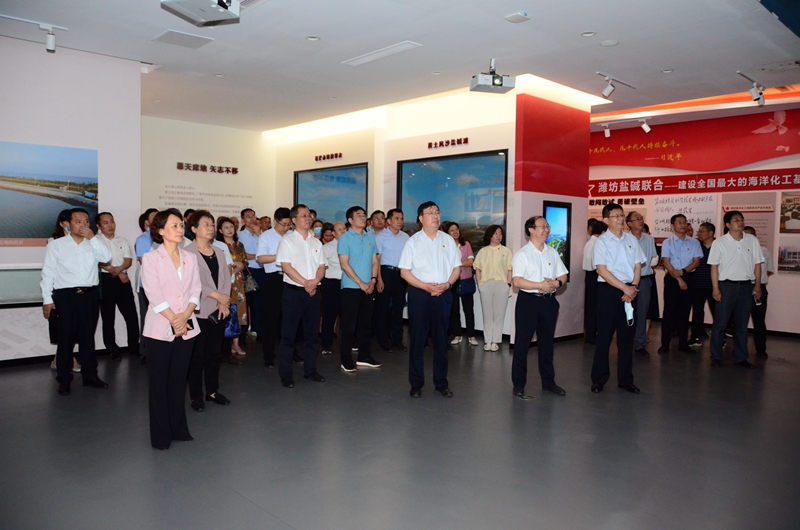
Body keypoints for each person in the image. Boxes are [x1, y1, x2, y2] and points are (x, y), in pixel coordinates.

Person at [140, 209, 201, 450]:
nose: (179, 229)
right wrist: (174, 320)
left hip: (187, 326)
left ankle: (179, 429)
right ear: (160, 230)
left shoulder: (190, 257)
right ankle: (161, 435)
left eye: (180, 225)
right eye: (174, 225)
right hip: (160, 327)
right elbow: (153, 293)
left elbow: (195, 289)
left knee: (178, 381)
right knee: (159, 383)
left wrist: (185, 316)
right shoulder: (151, 258)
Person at [41, 208, 113, 395]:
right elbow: (48, 273)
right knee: (65, 339)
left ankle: (90, 376)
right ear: (68, 224)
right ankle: (64, 379)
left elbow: (107, 258)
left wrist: (93, 238)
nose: (83, 225)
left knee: (88, 337)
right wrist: (47, 300)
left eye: (86, 221)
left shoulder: (93, 243)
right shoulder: (56, 245)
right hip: (66, 296)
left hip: (89, 295)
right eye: (78, 221)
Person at [399, 201, 461, 398]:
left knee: (441, 340)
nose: (435, 216)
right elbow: (404, 272)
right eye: (430, 212)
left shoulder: (448, 240)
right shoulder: (413, 242)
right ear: (421, 218)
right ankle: (416, 383)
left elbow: (457, 268)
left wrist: (448, 284)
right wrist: (424, 286)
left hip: (443, 293)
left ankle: (441, 383)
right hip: (420, 294)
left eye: (437, 212)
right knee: (418, 340)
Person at [511, 216, 569, 398]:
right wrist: (539, 285)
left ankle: (549, 382)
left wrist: (557, 283)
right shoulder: (522, 254)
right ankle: (518, 384)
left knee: (547, 344)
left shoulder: (552, 252)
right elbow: (517, 281)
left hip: (549, 302)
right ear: (531, 230)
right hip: (528, 302)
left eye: (547, 226)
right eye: (543, 226)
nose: (547, 230)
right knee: (522, 344)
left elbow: (563, 275)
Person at [591, 203, 646, 394]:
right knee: (604, 337)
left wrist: (634, 287)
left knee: (626, 338)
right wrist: (625, 288)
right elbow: (602, 270)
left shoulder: (631, 239)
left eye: (622, 215)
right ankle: (599, 379)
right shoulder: (601, 242)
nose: (621, 219)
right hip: (609, 291)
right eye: (616, 216)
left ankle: (625, 379)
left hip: (630, 291)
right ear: (606, 220)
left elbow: (638, 265)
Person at [185, 211, 232, 411]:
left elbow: (226, 278)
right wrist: (217, 296)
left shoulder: (219, 251)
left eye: (212, 224)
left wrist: (224, 302)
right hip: (198, 310)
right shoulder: (187, 253)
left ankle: (212, 391)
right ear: (194, 229)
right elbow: (192, 282)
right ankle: (196, 395)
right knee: (197, 356)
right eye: (206, 224)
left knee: (214, 353)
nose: (211, 228)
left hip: (218, 310)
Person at [275, 204, 326, 388]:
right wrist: (306, 283)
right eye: (304, 215)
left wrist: (314, 282)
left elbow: (322, 267)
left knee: (312, 334)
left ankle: (310, 370)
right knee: (288, 335)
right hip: (294, 293)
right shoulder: (287, 242)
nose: (308, 218)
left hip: (313, 293)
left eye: (309, 215)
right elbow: (286, 267)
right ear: (294, 220)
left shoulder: (316, 242)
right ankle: (286, 374)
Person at [708, 211, 764, 368]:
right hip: (726, 286)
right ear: (727, 225)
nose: (740, 222)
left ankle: (741, 357)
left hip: (746, 286)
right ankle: (716, 356)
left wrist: (757, 284)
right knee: (720, 324)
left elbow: (757, 264)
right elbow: (714, 267)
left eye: (741, 219)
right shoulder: (719, 242)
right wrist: (715, 288)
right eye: (736, 220)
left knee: (742, 325)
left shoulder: (752, 240)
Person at [338, 206, 381, 371]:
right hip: (351, 288)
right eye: (358, 215)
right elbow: (344, 264)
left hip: (368, 287)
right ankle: (346, 359)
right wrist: (361, 283)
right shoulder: (345, 238)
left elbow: (375, 261)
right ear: (350, 220)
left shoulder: (370, 238)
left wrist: (373, 280)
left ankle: (364, 356)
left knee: (365, 324)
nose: (363, 217)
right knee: (348, 326)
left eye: (364, 215)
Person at [96, 211, 140, 361]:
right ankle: (112, 349)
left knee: (131, 316)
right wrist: (116, 272)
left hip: (123, 281)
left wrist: (120, 271)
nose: (110, 225)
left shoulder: (122, 240)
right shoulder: (95, 241)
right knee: (108, 318)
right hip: (105, 280)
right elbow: (98, 261)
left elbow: (128, 260)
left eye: (112, 221)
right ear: (98, 226)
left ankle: (134, 347)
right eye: (106, 223)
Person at [658, 214, 702, 355]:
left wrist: (683, 272)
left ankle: (683, 344)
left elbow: (696, 261)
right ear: (672, 226)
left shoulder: (694, 242)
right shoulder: (668, 242)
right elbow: (666, 262)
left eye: (684, 222)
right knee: (669, 312)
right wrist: (679, 278)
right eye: (679, 222)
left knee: (685, 312)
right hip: (672, 279)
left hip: (688, 277)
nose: (683, 225)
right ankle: (665, 344)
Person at [257, 207, 292, 368]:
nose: (285, 228)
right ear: (275, 221)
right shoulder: (266, 236)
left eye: (288, 224)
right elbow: (261, 259)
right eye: (283, 224)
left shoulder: (292, 235)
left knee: (290, 318)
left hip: (291, 278)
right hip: (273, 280)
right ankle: (268, 356)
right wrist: (281, 256)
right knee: (271, 319)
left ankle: (291, 353)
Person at [47, 209, 82, 373]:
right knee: (63, 328)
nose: (71, 224)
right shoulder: (54, 241)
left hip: (78, 291)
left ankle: (58, 360)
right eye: (68, 221)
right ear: (62, 224)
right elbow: (50, 269)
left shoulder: (81, 241)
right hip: (61, 290)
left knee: (74, 328)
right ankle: (69, 360)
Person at [375, 208, 410, 352]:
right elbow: (377, 260)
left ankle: (397, 340)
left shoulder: (405, 237)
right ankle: (383, 340)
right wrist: (379, 279)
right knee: (383, 309)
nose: (400, 221)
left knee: (398, 309)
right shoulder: (381, 237)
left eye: (401, 218)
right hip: (385, 273)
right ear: (389, 221)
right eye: (397, 218)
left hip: (400, 274)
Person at [473, 225, 513, 352]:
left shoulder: (506, 251)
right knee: (487, 314)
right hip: (486, 284)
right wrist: (480, 284)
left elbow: (510, 269)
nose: (498, 236)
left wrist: (508, 284)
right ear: (490, 235)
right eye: (496, 233)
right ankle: (487, 341)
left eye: (500, 233)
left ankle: (495, 341)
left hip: (502, 284)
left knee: (499, 314)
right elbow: (477, 268)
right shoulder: (483, 251)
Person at [625, 212, 657, 358]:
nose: (640, 221)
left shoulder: (649, 239)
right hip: (627, 281)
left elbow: (650, 259)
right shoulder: (624, 239)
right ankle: (625, 342)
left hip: (644, 280)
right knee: (626, 312)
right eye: (637, 219)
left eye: (641, 218)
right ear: (629, 223)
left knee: (642, 313)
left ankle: (640, 344)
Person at [442, 221, 477, 346]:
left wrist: (456, 264)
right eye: (452, 230)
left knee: (468, 310)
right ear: (447, 233)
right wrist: (462, 263)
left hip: (466, 280)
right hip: (452, 281)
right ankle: (457, 334)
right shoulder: (445, 246)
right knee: (454, 310)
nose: (455, 232)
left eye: (457, 229)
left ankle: (471, 335)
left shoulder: (465, 244)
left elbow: (470, 262)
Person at [218, 216, 248, 357]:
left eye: (231, 227)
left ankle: (236, 343)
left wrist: (241, 266)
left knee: (239, 313)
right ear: (220, 230)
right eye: (226, 227)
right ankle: (226, 344)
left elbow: (245, 261)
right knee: (228, 312)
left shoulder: (239, 244)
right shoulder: (218, 245)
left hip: (239, 283)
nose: (229, 230)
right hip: (225, 282)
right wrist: (233, 268)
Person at [743, 226, 773, 359]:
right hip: (743, 288)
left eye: (751, 235)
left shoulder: (765, 251)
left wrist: (759, 283)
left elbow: (769, 270)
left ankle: (761, 350)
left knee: (759, 321)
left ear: (755, 236)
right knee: (741, 321)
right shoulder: (739, 251)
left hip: (760, 289)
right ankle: (739, 350)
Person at [135, 207, 159, 364]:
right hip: (147, 286)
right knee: (148, 318)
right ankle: (145, 352)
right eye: (153, 217)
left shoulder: (165, 237)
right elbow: (146, 262)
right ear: (146, 222)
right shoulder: (143, 239)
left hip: (165, 286)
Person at [321, 221, 346, 355]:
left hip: (348, 283)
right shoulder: (327, 248)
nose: (343, 232)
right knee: (330, 314)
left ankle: (348, 343)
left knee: (347, 315)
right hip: (332, 284)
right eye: (339, 230)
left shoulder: (351, 246)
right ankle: (326, 344)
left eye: (344, 229)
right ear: (333, 233)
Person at [689, 222, 716, 346]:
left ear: (710, 233)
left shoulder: (719, 245)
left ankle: (719, 339)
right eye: (698, 231)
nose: (699, 234)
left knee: (717, 313)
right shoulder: (696, 245)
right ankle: (696, 336)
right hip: (698, 284)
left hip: (715, 286)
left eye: (702, 231)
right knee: (697, 312)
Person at [239, 208, 264, 337]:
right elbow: (243, 255)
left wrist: (260, 233)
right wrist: (258, 257)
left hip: (261, 271)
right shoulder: (240, 236)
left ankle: (259, 331)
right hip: (247, 271)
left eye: (253, 216)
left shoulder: (262, 235)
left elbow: (267, 249)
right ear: (243, 220)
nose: (252, 219)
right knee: (246, 303)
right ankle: (243, 333)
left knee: (260, 303)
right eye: (248, 217)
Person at [582, 221, 607, 344]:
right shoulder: (597, 243)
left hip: (589, 275)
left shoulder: (589, 242)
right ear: (602, 232)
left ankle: (590, 334)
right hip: (595, 275)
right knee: (594, 307)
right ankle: (592, 335)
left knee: (591, 306)